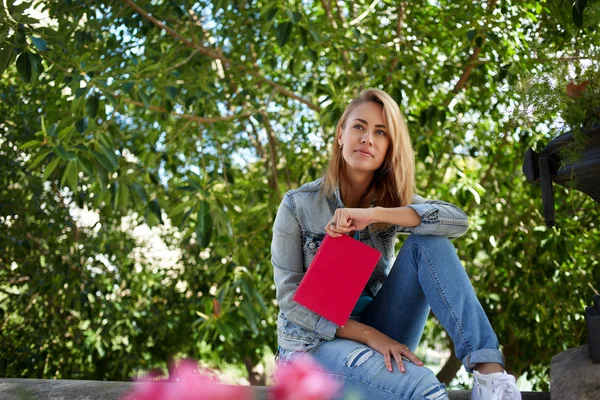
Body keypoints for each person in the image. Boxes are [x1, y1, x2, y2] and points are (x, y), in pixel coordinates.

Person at [270, 88, 522, 400]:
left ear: (389, 147)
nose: (367, 139)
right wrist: (370, 336)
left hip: (381, 328)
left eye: (380, 132)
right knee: (424, 388)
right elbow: (291, 302)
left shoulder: (388, 204)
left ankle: (489, 374)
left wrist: (374, 214)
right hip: (312, 346)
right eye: (359, 127)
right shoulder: (297, 206)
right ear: (340, 134)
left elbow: (457, 220)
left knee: (429, 244)